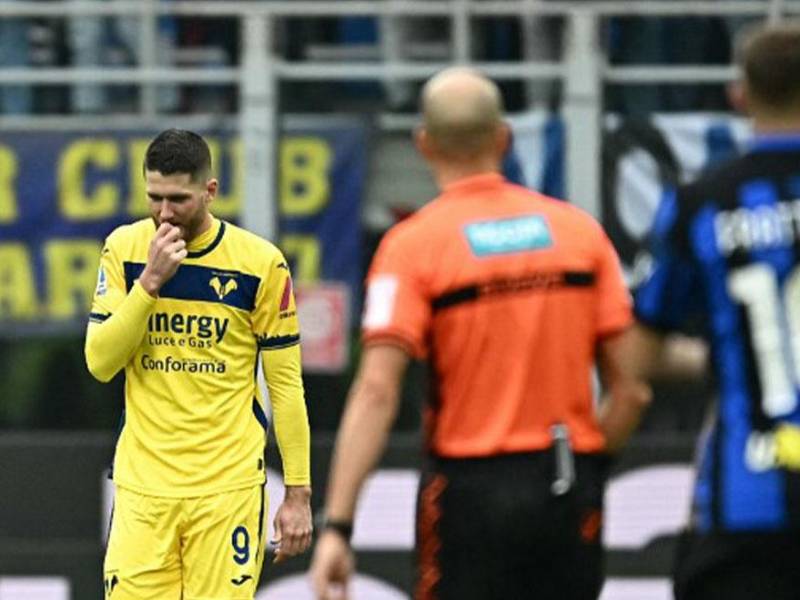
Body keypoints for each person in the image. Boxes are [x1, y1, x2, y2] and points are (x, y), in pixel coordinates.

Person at [309, 67, 651, 600]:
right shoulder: (579, 233)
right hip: (565, 482)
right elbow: (631, 390)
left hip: (467, 494)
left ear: (424, 144)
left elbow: (377, 389)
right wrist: (586, 466)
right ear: (503, 138)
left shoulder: (412, 247)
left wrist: (338, 525)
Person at [84, 129, 312, 599]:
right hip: (144, 490)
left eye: (178, 199)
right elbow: (100, 362)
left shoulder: (259, 264)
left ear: (210, 191)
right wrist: (149, 284)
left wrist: (298, 493)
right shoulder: (125, 249)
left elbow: (286, 386)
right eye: (155, 197)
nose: (165, 213)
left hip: (226, 489)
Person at [630, 22, 800, 600]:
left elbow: (637, 354)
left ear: (738, 95)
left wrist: (730, 355)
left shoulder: (701, 203)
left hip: (744, 509)